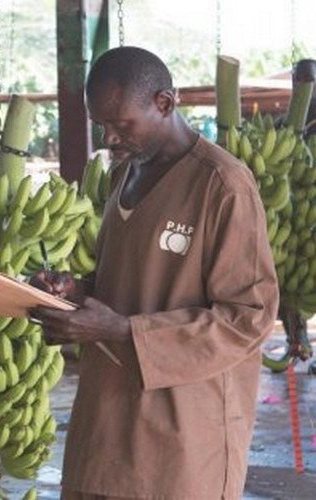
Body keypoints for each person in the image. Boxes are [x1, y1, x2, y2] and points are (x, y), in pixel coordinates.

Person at [29, 46, 280, 499]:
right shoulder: (123, 176)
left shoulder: (222, 185)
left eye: (122, 124)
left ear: (164, 103)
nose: (109, 138)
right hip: (105, 425)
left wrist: (126, 330)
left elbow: (249, 318)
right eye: (101, 125)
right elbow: (132, 283)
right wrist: (73, 292)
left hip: (180, 436)